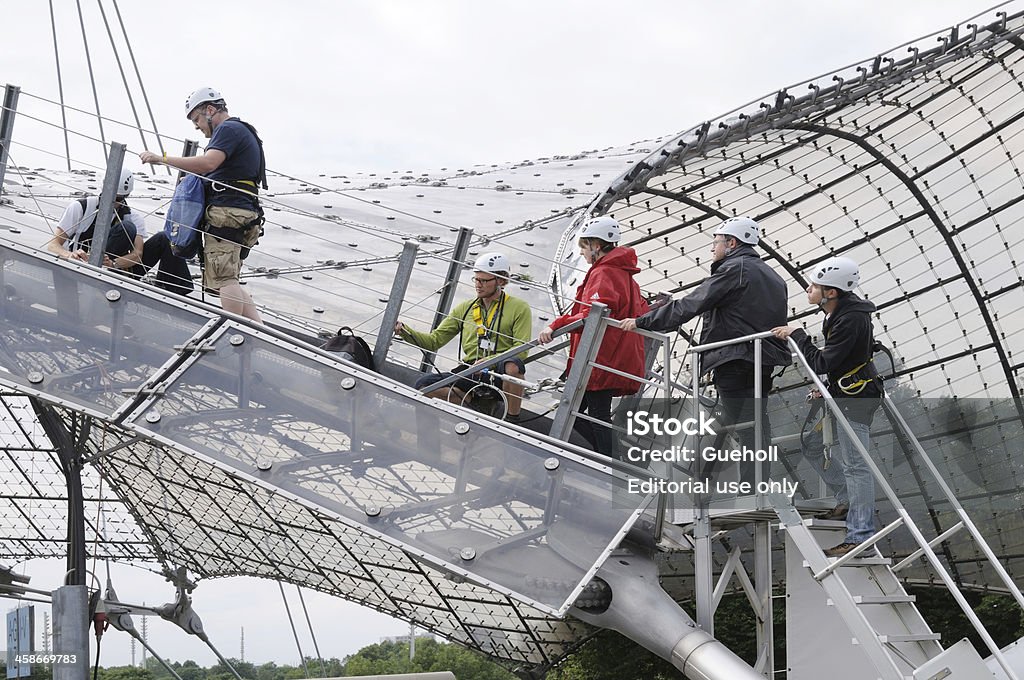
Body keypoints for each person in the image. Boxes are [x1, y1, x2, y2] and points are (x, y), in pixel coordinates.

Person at [621, 216, 790, 484]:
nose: (713, 249)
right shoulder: (773, 276)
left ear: (732, 243)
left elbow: (692, 304)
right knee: (755, 421)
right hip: (763, 359)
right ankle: (756, 483)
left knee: (743, 424)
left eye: (716, 242)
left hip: (735, 357)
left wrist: (642, 321)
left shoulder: (735, 269)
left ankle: (752, 487)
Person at [771, 256, 881, 558]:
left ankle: (861, 537)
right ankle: (845, 501)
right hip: (844, 395)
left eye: (814, 286)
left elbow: (821, 361)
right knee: (812, 442)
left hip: (855, 401)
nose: (808, 289)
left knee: (857, 466)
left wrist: (798, 336)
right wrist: (828, 388)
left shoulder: (850, 318)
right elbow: (840, 361)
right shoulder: (841, 314)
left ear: (831, 292)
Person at [139, 86, 267, 322]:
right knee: (230, 277)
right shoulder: (243, 131)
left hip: (227, 212)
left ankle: (229, 330)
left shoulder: (227, 129)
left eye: (197, 119)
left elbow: (209, 163)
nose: (197, 126)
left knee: (224, 279)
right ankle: (256, 331)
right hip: (243, 211)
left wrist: (162, 159)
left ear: (210, 110)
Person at [538, 216, 648, 457]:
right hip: (612, 357)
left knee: (590, 414)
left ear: (596, 245)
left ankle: (611, 461)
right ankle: (605, 457)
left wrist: (555, 325)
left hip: (601, 358)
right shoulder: (624, 274)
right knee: (575, 413)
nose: (582, 252)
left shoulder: (604, 273)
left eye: (584, 246)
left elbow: (591, 316)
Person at [395, 252, 532, 421]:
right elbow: (434, 341)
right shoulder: (465, 308)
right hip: (471, 370)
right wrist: (404, 330)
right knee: (424, 387)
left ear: (501, 282)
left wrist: (493, 360)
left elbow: (522, 349)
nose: (478, 285)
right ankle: (468, 402)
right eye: (476, 279)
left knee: (514, 365)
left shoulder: (519, 307)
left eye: (484, 280)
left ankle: (512, 420)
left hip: (499, 371)